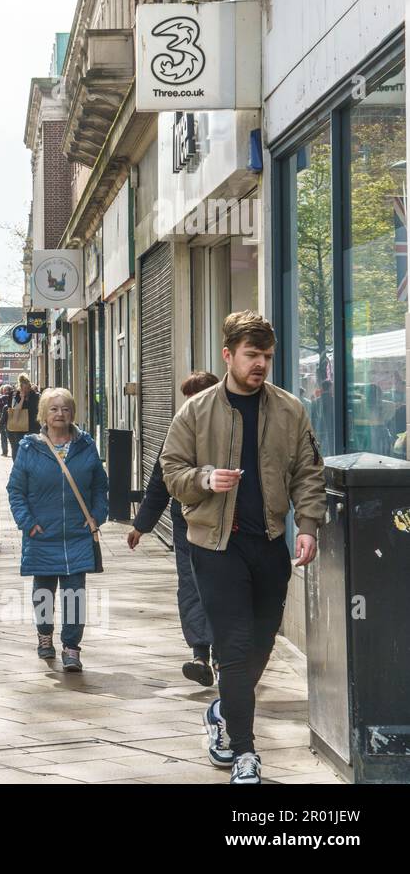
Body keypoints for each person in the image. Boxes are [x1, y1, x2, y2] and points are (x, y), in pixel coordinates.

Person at [161, 312, 325, 785]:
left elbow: (308, 471)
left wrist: (307, 525)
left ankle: (224, 710)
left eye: (267, 356)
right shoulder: (196, 411)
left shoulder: (289, 409)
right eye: (252, 355)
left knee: (262, 642)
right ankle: (244, 751)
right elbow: (172, 471)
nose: (260, 364)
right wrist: (204, 479)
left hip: (269, 544)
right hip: (216, 548)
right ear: (228, 355)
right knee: (233, 648)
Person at [128, 370, 221, 687]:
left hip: (227, 522)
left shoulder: (232, 430)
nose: (192, 405)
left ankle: (223, 654)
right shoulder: (178, 431)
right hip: (187, 523)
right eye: (189, 399)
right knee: (191, 584)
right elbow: (160, 481)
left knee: (223, 586)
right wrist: (141, 525)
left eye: (199, 399)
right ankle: (200, 655)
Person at [7, 388, 107, 673]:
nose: (60, 413)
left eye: (65, 408)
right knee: (44, 592)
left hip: (77, 534)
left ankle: (72, 648)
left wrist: (96, 516)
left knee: (75, 594)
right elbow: (16, 490)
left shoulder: (86, 445)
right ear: (43, 414)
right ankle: (44, 635)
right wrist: (28, 523)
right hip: (42, 534)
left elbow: (100, 486)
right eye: (53, 409)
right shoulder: (30, 448)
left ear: (72, 413)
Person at [7, 375, 40, 462]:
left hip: (33, 427)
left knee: (33, 450)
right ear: (20, 388)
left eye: (28, 388)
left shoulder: (35, 396)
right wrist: (22, 399)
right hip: (19, 428)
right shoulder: (16, 396)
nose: (26, 390)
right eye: (24, 388)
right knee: (18, 449)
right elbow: (15, 411)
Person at [0, 384, 14, 457]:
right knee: (12, 438)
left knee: (3, 436)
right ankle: (14, 451)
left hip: (3, 419)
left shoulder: (1, 398)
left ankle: (5, 452)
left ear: (4, 391)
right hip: (14, 420)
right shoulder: (14, 398)